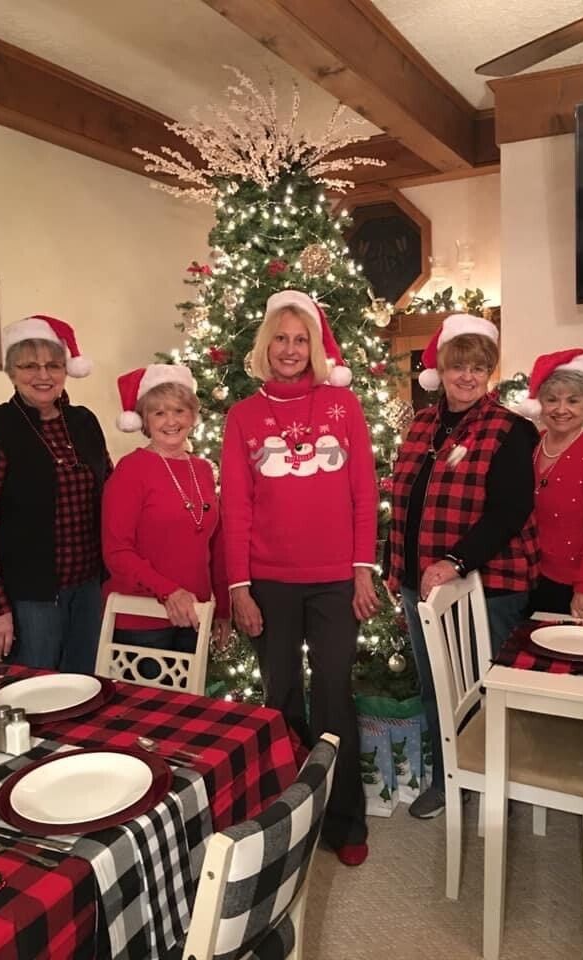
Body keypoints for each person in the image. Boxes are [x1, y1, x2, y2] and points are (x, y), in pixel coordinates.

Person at [220, 290, 379, 867]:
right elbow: (235, 508)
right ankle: (286, 828)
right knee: (280, 699)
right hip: (267, 583)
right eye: (281, 339)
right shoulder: (242, 415)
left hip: (336, 580)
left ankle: (345, 821)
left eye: (301, 339)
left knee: (334, 695)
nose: (290, 349)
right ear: (267, 346)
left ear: (315, 347)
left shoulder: (343, 405)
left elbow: (365, 493)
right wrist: (238, 586)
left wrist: (363, 570)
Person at [384, 313, 540, 819]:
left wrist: (454, 560)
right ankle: (448, 778)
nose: (467, 376)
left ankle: (495, 782)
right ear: (441, 370)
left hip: (488, 585)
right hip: (420, 584)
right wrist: (398, 570)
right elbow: (402, 499)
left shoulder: (512, 430)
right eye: (459, 366)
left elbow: (510, 511)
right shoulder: (422, 425)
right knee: (437, 687)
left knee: (486, 687)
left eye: (479, 367)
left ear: (490, 371)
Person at [0, 314, 111, 671]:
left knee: (84, 686)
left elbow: (111, 490)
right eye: (29, 366)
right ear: (12, 372)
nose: (43, 376)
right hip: (28, 594)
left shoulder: (84, 422)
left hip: (88, 586)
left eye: (53, 365)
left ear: (65, 370)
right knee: (34, 691)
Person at [101, 364, 230, 668]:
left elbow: (215, 545)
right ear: (144, 420)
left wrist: (223, 608)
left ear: (192, 416)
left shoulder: (202, 469)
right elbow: (117, 551)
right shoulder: (131, 470)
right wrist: (169, 592)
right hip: (142, 619)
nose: (171, 421)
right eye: (159, 413)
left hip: (194, 615)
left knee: (190, 709)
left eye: (179, 410)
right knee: (145, 713)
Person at [517, 349, 583, 619]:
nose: (561, 409)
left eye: (573, 401)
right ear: (540, 403)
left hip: (571, 584)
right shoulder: (531, 444)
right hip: (525, 576)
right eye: (552, 400)